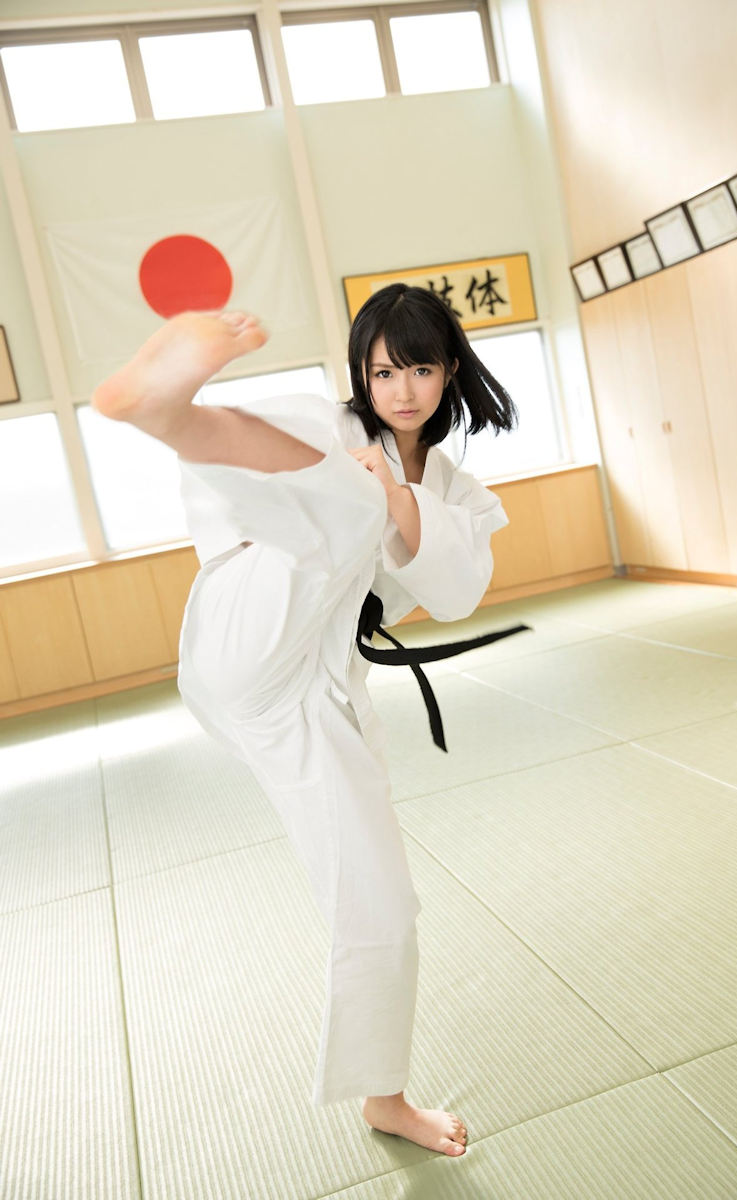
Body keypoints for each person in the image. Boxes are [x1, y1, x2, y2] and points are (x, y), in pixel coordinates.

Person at [92, 283, 517, 1158]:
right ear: (362, 374)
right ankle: (168, 411)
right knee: (347, 483)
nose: (401, 390)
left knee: (383, 907)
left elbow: (457, 589)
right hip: (246, 620)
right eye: (383, 372)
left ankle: (385, 1098)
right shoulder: (331, 426)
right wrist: (371, 488)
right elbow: (248, 482)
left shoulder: (458, 492)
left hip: (311, 695)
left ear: (449, 373)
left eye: (420, 370)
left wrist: (400, 497)